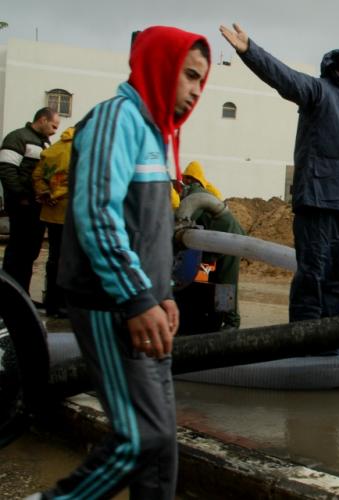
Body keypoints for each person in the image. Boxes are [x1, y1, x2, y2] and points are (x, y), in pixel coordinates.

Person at [41, 27, 210, 499]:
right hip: (108, 303)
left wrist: (164, 295)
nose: (197, 89)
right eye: (189, 75)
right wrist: (138, 299)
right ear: (161, 67)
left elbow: (148, 228)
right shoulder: (117, 120)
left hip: (144, 307)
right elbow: (97, 212)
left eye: (203, 80)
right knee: (140, 438)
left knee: (160, 449)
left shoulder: (155, 132)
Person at [220, 23, 339, 355]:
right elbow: (284, 77)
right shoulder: (320, 93)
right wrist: (248, 50)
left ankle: (329, 354)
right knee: (312, 281)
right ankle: (302, 358)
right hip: (320, 206)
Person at [178, 160, 245, 331]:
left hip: (230, 241)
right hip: (222, 241)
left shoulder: (196, 193)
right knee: (217, 281)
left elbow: (186, 220)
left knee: (226, 281)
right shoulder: (201, 192)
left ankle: (231, 322)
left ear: (188, 179)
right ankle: (218, 318)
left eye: (184, 178)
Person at [0, 107, 60, 294]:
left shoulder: (45, 143)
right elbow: (6, 169)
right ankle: (9, 297)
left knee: (30, 253)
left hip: (35, 206)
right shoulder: (17, 138)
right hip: (22, 206)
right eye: (53, 125)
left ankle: (21, 294)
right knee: (18, 252)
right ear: (42, 120)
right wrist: (21, 197)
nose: (55, 130)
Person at [31, 126, 75, 317]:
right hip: (71, 212)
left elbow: (37, 176)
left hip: (51, 211)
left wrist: (46, 193)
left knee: (54, 257)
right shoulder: (80, 150)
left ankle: (51, 303)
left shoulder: (53, 149)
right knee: (70, 259)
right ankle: (64, 304)